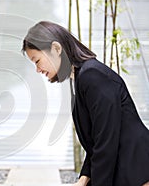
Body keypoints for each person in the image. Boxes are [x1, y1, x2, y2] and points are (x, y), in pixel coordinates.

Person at [22, 21, 149, 186]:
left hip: (136, 170)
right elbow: (97, 140)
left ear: (56, 48)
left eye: (37, 60)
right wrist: (83, 179)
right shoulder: (80, 78)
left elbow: (106, 141)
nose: (37, 69)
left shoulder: (92, 75)